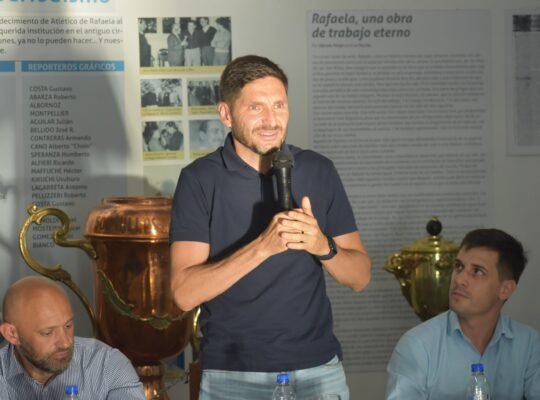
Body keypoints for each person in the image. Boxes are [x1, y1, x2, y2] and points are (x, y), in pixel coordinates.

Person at [169, 55, 371, 400]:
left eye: (279, 105)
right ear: (226, 114)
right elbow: (184, 294)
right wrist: (263, 247)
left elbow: (360, 277)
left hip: (318, 371)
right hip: (233, 376)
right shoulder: (199, 179)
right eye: (256, 108)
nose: (271, 120)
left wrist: (322, 245)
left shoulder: (319, 170)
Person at [386, 228, 540, 399]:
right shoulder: (418, 346)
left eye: (477, 271)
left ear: (505, 289)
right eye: (459, 266)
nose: (459, 280)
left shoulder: (530, 346)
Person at [0, 276, 146, 399]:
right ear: (11, 334)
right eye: (47, 332)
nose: (65, 343)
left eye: (68, 326)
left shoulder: (107, 365)